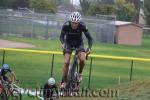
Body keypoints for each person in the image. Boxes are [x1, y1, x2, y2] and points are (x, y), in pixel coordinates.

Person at [60, 11, 93, 88]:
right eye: (73, 22)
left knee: (82, 59)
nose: (74, 24)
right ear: (70, 21)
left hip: (79, 44)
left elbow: (90, 38)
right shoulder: (66, 25)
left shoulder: (82, 25)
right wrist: (63, 43)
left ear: (79, 22)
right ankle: (64, 81)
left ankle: (79, 74)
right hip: (68, 43)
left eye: (76, 23)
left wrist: (89, 48)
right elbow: (61, 36)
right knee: (66, 62)